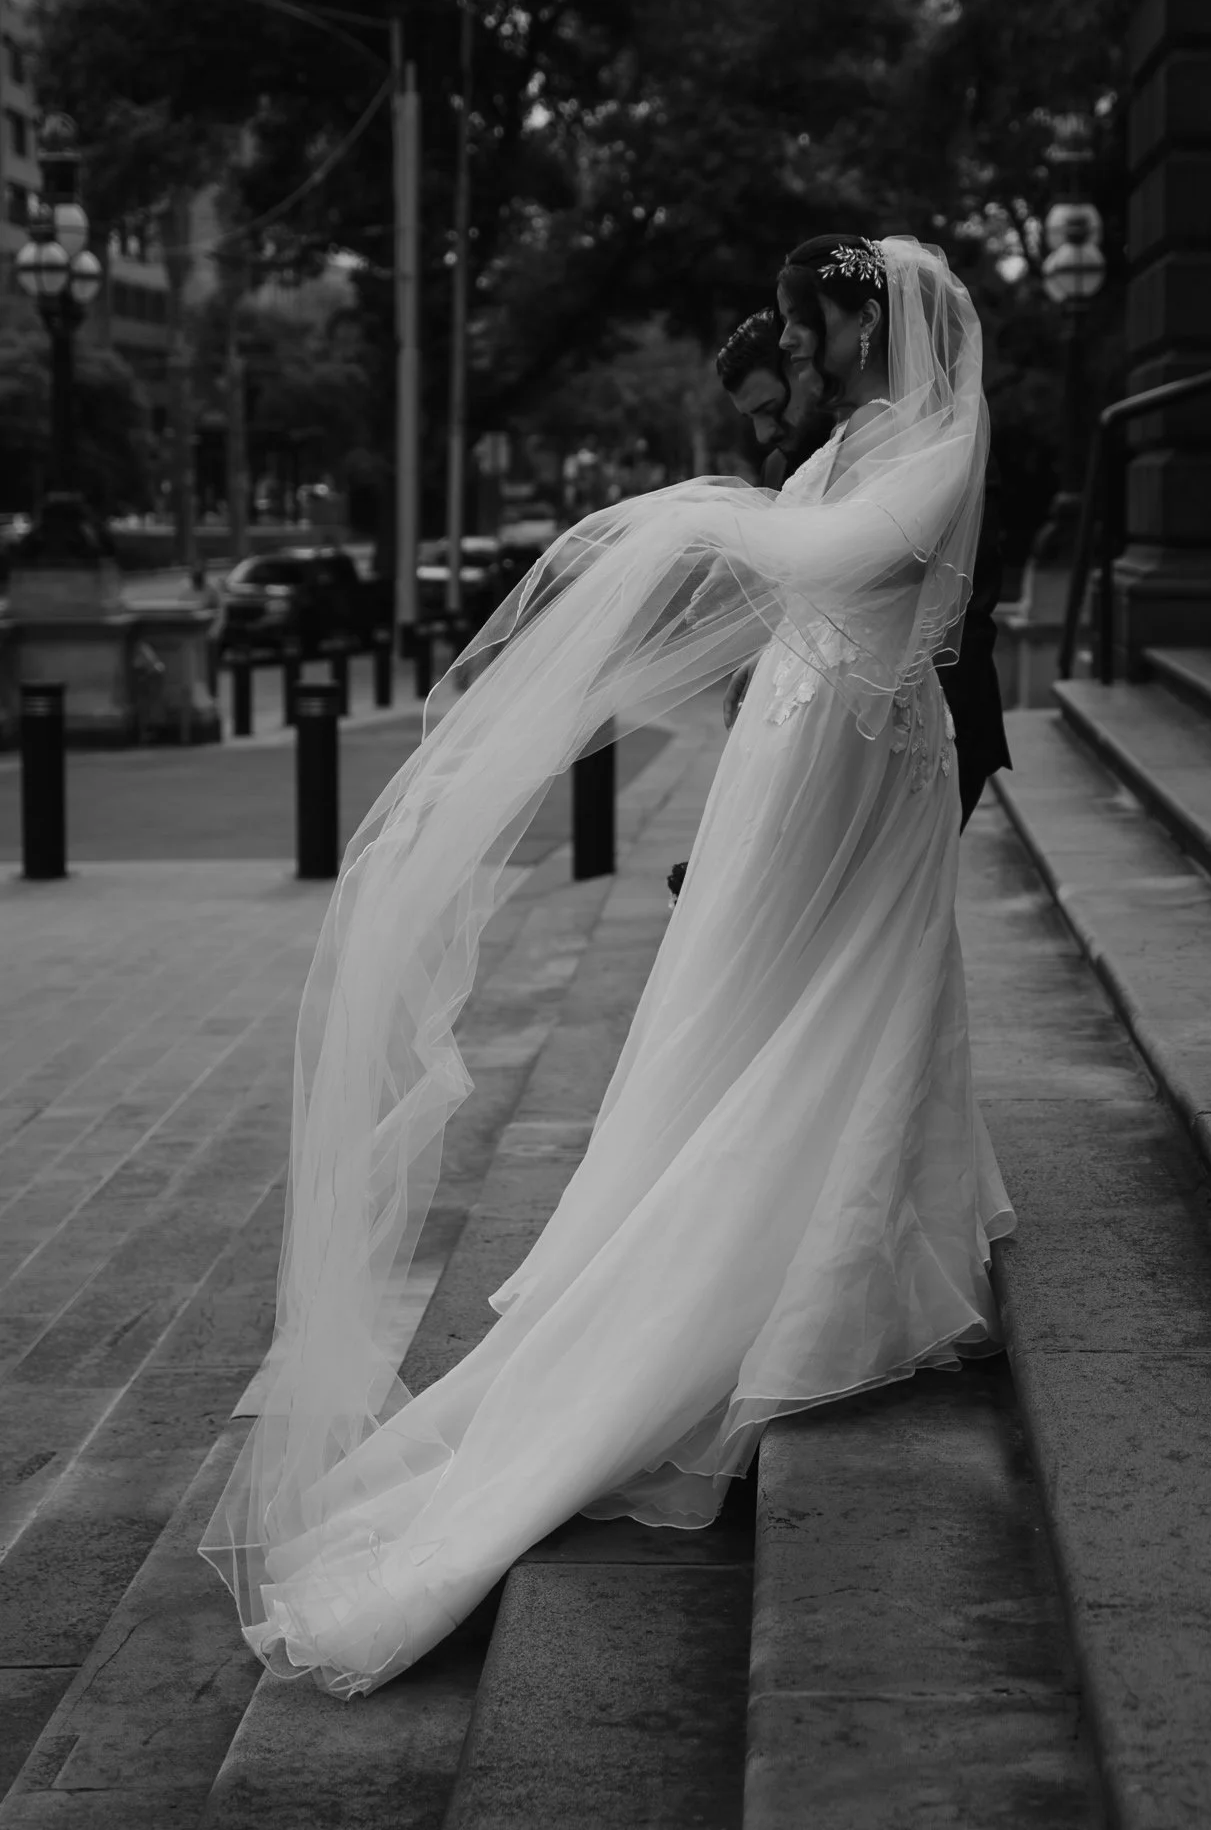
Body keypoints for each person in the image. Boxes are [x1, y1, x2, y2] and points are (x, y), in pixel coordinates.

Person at [200, 234, 1015, 1700]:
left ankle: (873, 1245)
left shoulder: (932, 444)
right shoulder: (855, 439)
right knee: (781, 1007)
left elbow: (841, 563)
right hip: (803, 750)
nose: (800, 346)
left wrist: (677, 521)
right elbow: (802, 575)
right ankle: (838, 1244)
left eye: (808, 321)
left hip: (859, 758)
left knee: (865, 1004)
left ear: (865, 319)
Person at [717, 307, 1011, 823]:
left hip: (923, 719)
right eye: (751, 418)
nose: (766, 431)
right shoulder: (784, 465)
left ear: (801, 367)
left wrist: (914, 727)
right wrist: (774, 658)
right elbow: (813, 600)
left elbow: (965, 592)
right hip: (816, 717)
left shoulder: (914, 441)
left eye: (769, 406)